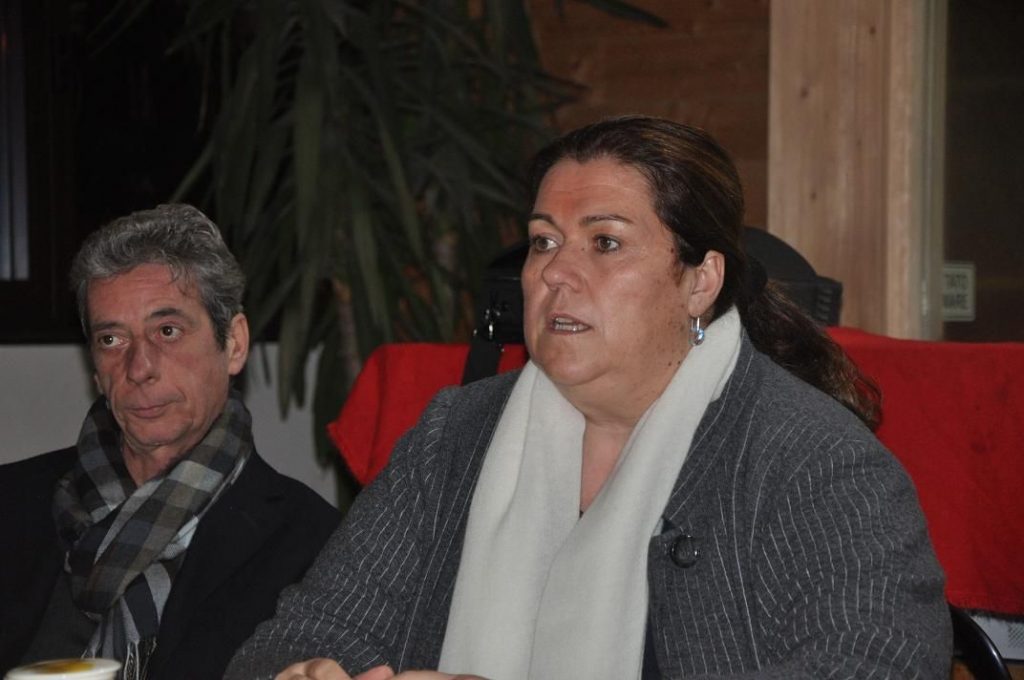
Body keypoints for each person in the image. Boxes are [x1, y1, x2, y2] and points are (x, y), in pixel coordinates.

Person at [227, 116, 952, 679]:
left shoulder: (815, 462)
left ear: (700, 281)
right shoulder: (455, 438)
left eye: (604, 243)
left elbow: (875, 666)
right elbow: (295, 636)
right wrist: (308, 670)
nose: (554, 274)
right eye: (543, 242)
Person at [0, 204, 340, 680]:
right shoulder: (12, 503)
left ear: (234, 344)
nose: (139, 368)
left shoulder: (310, 543)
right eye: (112, 340)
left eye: (167, 331)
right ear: (95, 369)